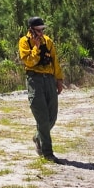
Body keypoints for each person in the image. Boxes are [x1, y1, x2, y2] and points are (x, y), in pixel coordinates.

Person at [18, 16, 64, 162]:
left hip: (49, 80)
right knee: (42, 118)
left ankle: (38, 137)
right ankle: (47, 153)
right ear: (31, 30)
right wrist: (36, 48)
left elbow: (54, 61)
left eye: (43, 29)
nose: (41, 33)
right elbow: (29, 62)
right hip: (34, 80)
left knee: (52, 116)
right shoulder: (24, 42)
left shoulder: (48, 41)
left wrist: (59, 79)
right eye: (38, 30)